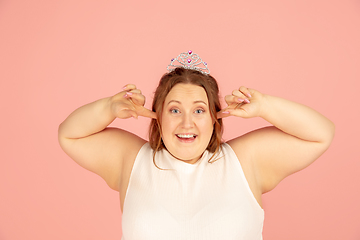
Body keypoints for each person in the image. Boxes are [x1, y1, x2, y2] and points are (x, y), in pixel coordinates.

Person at [58, 51, 335, 240]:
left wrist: (264, 105)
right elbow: (69, 135)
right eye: (175, 110)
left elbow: (320, 133)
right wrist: (109, 107)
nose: (187, 124)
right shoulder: (133, 161)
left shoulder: (245, 161)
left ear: (216, 118)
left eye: (200, 111)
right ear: (157, 116)